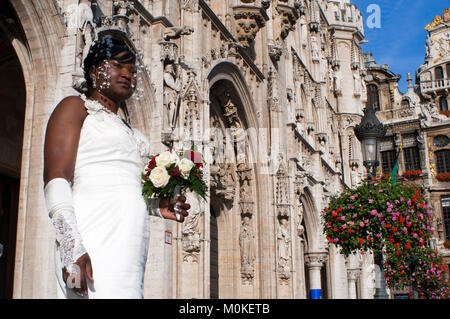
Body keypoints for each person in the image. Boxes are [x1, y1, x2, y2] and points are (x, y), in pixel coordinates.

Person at [43, 35, 190, 299]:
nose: (127, 75)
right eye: (116, 65)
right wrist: (72, 247)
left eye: (132, 71)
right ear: (93, 69)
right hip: (92, 236)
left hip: (131, 245)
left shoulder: (131, 132)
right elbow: (56, 178)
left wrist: (158, 206)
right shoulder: (76, 108)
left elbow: (123, 187)